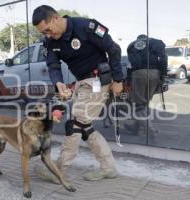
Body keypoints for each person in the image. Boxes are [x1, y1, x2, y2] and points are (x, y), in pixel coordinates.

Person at [32, 5, 124, 182]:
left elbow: (114, 50)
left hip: (98, 80)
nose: (47, 35)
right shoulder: (51, 42)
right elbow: (53, 65)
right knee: (85, 127)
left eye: (48, 30)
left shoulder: (85, 27)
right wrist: (59, 83)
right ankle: (109, 168)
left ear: (56, 18)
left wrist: (118, 79)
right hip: (82, 82)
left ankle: (58, 170)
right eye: (44, 33)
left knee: (75, 123)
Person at [125, 34, 167, 135]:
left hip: (138, 73)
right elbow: (163, 58)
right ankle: (136, 127)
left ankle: (150, 130)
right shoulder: (156, 42)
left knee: (139, 105)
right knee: (144, 103)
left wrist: (128, 80)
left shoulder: (131, 46)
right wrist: (163, 74)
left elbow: (130, 64)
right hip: (154, 73)